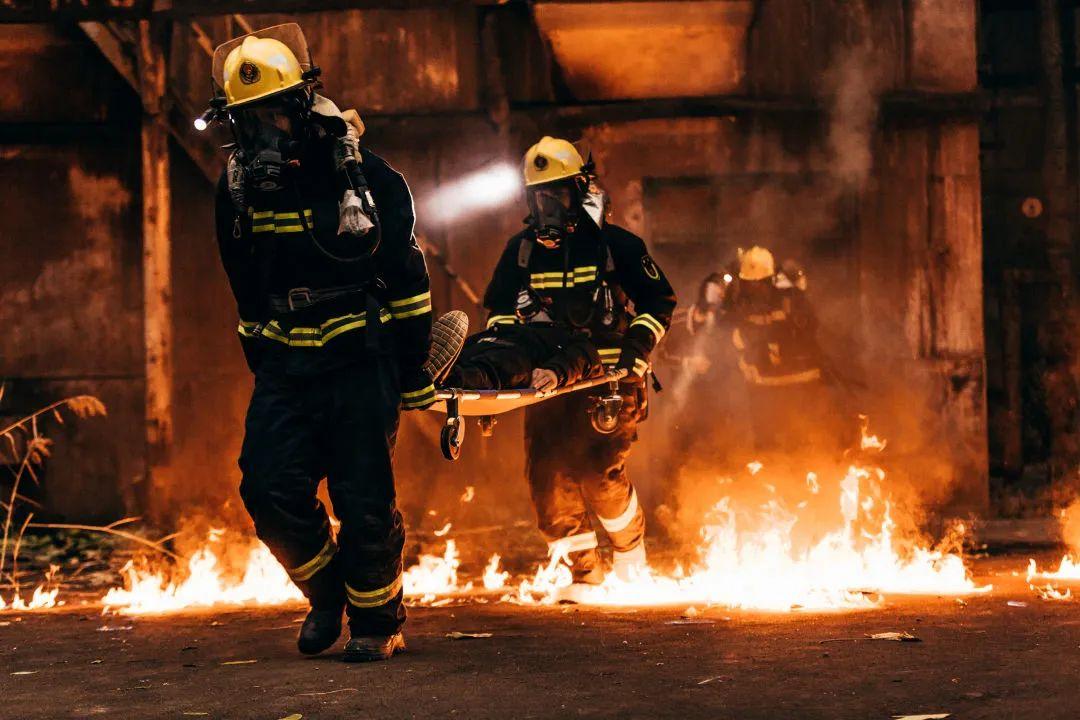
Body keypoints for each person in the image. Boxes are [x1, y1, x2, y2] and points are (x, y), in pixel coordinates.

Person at [208, 25, 435, 662]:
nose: (264, 133)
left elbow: (408, 280)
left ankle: (377, 622)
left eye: (273, 114)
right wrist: (265, 361)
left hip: (361, 355)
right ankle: (329, 595)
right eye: (249, 121)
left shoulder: (367, 179)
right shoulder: (236, 191)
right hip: (287, 364)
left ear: (303, 106)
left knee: (364, 499)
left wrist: (412, 369)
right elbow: (244, 286)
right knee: (267, 488)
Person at [482, 137, 677, 598]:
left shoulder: (616, 246)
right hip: (549, 384)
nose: (548, 207)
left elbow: (659, 301)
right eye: (539, 197)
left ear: (580, 190)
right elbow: (499, 314)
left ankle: (630, 558)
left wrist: (636, 348)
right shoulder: (521, 252)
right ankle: (585, 575)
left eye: (558, 194)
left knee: (599, 473)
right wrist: (506, 366)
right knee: (548, 483)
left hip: (609, 381)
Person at [689, 246, 834, 453]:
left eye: (758, 283)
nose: (753, 288)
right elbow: (721, 327)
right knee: (768, 445)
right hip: (762, 384)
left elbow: (809, 329)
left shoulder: (790, 300)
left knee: (801, 439)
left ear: (769, 280)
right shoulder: (741, 303)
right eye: (749, 283)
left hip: (798, 382)